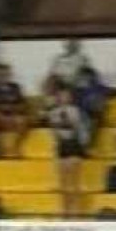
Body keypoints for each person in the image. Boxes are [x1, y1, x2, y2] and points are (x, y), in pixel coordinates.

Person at [47, 83, 90, 218]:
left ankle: (76, 212)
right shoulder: (53, 112)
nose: (64, 97)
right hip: (62, 145)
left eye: (66, 95)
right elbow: (54, 132)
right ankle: (65, 211)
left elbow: (80, 129)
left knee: (74, 183)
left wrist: (83, 145)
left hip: (74, 144)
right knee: (63, 184)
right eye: (61, 95)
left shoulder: (76, 111)